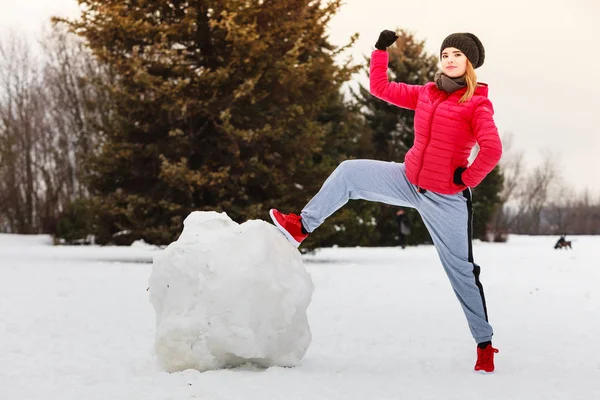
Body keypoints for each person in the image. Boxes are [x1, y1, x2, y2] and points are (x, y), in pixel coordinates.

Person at [269, 31, 502, 373]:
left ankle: (484, 344)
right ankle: (301, 226)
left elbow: (492, 149)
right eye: (445, 54)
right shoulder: (427, 93)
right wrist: (380, 51)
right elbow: (380, 89)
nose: (449, 59)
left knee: (462, 272)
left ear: (469, 63)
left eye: (457, 55)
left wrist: (465, 180)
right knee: (349, 173)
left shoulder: (476, 103)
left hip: (446, 198)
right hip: (408, 180)